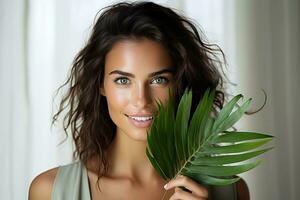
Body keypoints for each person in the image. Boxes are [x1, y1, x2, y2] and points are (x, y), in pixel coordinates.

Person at [28, 1, 249, 200]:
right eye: (123, 80)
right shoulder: (50, 191)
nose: (141, 100)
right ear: (101, 85)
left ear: (180, 85)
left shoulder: (231, 191)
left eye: (159, 79)